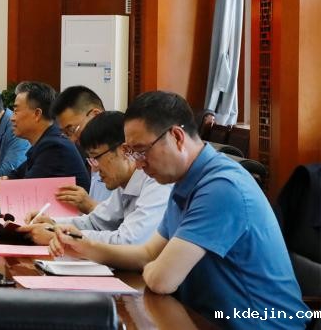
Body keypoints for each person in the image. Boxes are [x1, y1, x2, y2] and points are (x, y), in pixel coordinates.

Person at [55, 91, 306, 329]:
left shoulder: (221, 187)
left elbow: (161, 280)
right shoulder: (183, 181)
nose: (138, 163)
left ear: (176, 136)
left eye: (141, 151)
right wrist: (83, 247)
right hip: (204, 318)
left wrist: (154, 266)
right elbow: (147, 253)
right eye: (132, 152)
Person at [17, 111, 171, 246]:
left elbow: (128, 241)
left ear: (124, 150)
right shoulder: (124, 184)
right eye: (90, 160)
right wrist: (52, 223)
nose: (95, 168)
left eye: (96, 157)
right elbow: (95, 222)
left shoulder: (156, 183)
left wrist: (61, 236)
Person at [0, 81, 90, 193]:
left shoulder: (54, 146)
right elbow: (16, 175)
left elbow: (27, 191)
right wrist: (6, 180)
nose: (12, 118)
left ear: (37, 114)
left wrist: (6, 188)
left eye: (16, 111)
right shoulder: (45, 141)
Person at [51, 85, 110, 209]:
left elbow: (123, 217)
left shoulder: (125, 154)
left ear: (95, 115)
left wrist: (89, 205)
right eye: (66, 134)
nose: (72, 140)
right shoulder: (93, 156)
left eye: (72, 129)